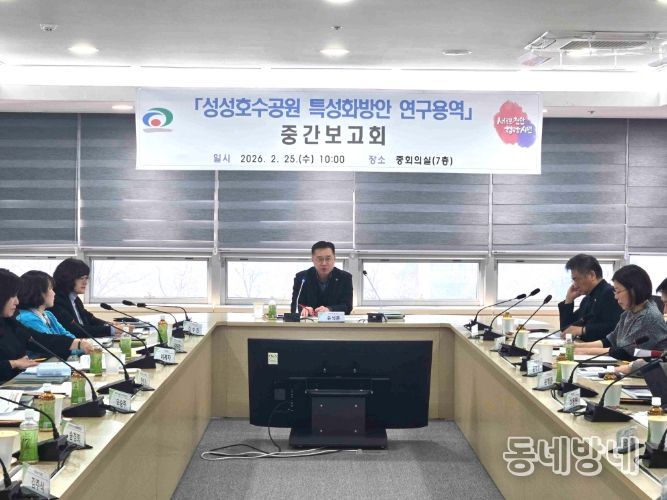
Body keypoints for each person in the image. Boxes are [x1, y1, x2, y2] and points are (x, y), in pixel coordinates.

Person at [0, 269, 92, 384]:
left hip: (15, 382)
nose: (17, 302)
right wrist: (13, 363)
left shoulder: (7, 321)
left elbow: (38, 339)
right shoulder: (23, 318)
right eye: (13, 296)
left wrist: (76, 343)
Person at [575, 265, 667, 364]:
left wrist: (584, 351)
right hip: (626, 366)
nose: (615, 297)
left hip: (644, 371)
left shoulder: (649, 317)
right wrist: (578, 346)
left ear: (633, 290)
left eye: (618, 291)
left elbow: (625, 353)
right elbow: (610, 340)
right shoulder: (628, 313)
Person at [16, 271, 86, 356]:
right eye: (50, 289)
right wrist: (82, 347)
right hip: (40, 363)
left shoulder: (49, 315)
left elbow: (68, 337)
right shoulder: (27, 319)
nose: (54, 293)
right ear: (38, 292)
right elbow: (51, 347)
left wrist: (79, 345)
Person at [558, 254, 622, 341]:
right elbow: (567, 330)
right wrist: (568, 300)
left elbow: (615, 328)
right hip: (584, 346)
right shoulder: (587, 299)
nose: (574, 285)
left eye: (575, 279)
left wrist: (583, 330)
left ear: (592, 275)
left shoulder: (610, 294)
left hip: (600, 348)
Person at [49, 258, 117, 338]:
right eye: (81, 278)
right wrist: (110, 330)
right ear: (67, 278)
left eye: (86, 278)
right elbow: (75, 330)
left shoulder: (75, 299)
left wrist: (109, 325)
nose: (85, 282)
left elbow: (89, 318)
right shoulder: (56, 300)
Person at [290, 241, 353, 317]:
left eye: (328, 259)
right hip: (309, 322)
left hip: (335, 323)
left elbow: (347, 306)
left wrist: (330, 309)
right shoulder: (301, 277)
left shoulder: (345, 278)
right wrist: (303, 309)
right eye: (320, 259)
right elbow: (295, 306)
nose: (324, 263)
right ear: (313, 260)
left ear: (334, 259)